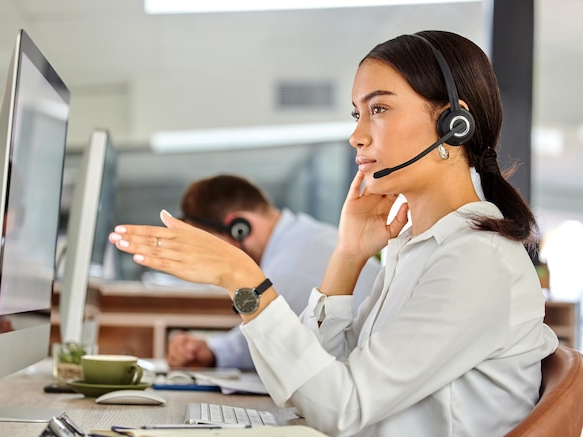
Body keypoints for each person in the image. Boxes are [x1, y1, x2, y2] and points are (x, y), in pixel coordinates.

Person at [109, 30, 559, 437]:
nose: (356, 136)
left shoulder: (477, 260)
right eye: (357, 113)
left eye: (378, 109)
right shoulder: (416, 249)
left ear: (453, 125)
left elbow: (340, 408)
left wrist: (241, 279)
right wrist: (347, 257)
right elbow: (322, 381)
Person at [166, 174, 381, 368]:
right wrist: (212, 351)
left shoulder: (291, 267)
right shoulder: (299, 236)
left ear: (239, 228)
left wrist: (213, 351)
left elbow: (277, 345)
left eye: (209, 245)